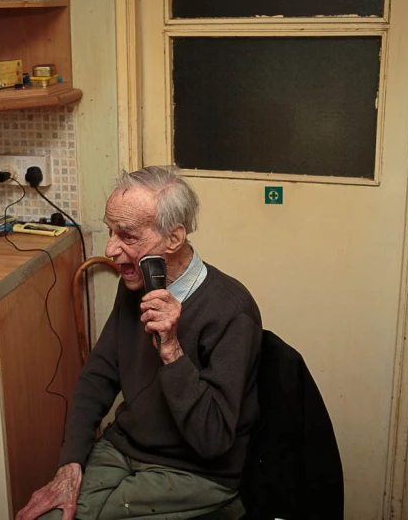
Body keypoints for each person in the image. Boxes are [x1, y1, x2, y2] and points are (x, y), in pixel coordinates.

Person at [17, 166, 263, 520]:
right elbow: (98, 376)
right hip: (124, 448)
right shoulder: (136, 285)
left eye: (127, 236)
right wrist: (69, 462)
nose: (110, 249)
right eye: (110, 231)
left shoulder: (231, 309)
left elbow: (213, 440)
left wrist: (171, 349)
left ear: (174, 238)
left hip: (196, 470)